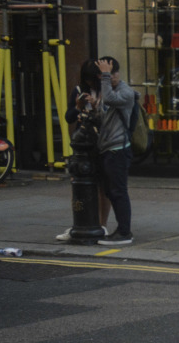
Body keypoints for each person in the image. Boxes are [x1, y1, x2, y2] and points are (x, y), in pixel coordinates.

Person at [68, 57, 135, 246]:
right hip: (108, 149)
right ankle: (120, 230)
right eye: (107, 74)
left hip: (118, 149)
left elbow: (111, 99)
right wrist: (95, 107)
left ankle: (124, 232)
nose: (111, 77)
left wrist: (105, 76)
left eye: (114, 73)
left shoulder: (125, 92)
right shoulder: (110, 92)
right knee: (111, 191)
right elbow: (104, 117)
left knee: (119, 191)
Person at [57, 60, 112, 240]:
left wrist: (97, 105)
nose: (90, 84)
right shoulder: (79, 91)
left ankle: (102, 224)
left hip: (102, 141)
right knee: (80, 183)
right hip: (83, 142)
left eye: (92, 80)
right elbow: (68, 117)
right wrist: (78, 107)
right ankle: (82, 222)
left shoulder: (106, 89)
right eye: (87, 80)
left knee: (103, 186)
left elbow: (111, 116)